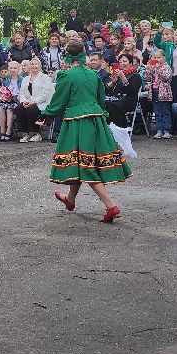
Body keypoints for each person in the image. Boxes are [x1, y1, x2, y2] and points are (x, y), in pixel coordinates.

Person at [42, 41, 130, 222]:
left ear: (66, 55)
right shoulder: (93, 75)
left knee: (85, 164)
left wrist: (46, 116)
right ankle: (70, 199)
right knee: (81, 161)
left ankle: (111, 206)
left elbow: (58, 101)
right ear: (83, 54)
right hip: (96, 120)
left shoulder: (66, 75)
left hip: (77, 122)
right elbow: (101, 99)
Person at [15, 57, 55, 142]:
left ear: (40, 66)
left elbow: (45, 94)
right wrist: (24, 101)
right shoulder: (26, 79)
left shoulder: (45, 77)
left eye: (36, 64)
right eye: (32, 64)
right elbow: (22, 92)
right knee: (19, 108)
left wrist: (33, 102)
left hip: (43, 103)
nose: (34, 66)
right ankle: (25, 133)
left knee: (31, 109)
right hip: (29, 102)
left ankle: (36, 133)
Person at [145, 49, 174, 138]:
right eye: (155, 57)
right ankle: (159, 130)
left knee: (165, 112)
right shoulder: (152, 67)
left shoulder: (166, 67)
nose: (157, 59)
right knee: (157, 112)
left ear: (164, 58)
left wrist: (158, 69)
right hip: (154, 91)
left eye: (159, 57)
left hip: (164, 92)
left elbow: (167, 78)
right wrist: (149, 69)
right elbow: (148, 78)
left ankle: (167, 130)